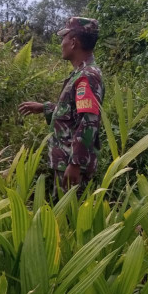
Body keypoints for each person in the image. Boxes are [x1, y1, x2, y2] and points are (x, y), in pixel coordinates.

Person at [18, 17, 104, 191]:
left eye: (63, 38)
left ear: (73, 43)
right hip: (67, 164)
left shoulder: (87, 76)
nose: (61, 44)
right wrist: (45, 108)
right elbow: (73, 113)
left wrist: (75, 163)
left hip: (72, 167)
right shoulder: (81, 73)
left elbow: (88, 121)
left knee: (71, 216)